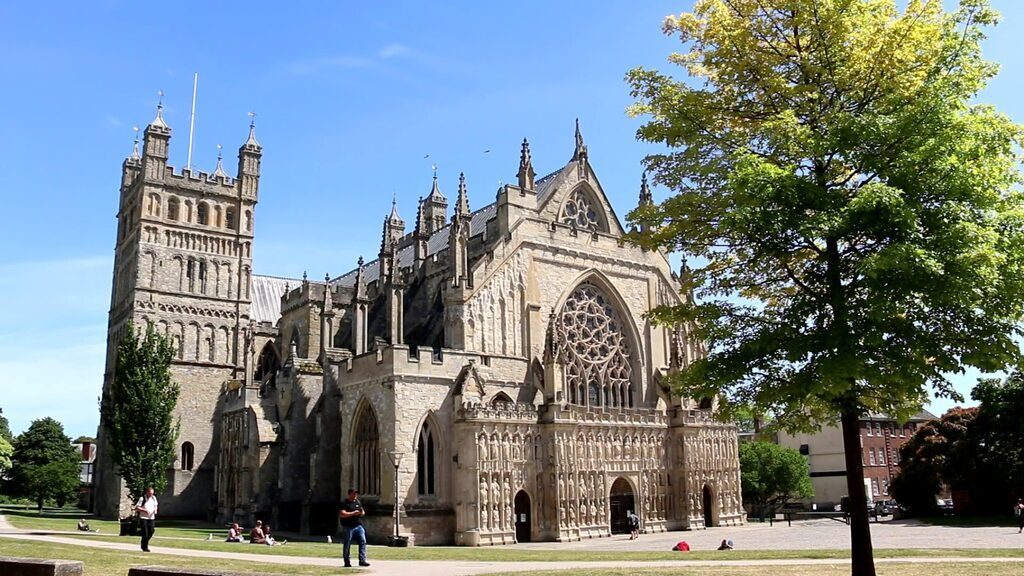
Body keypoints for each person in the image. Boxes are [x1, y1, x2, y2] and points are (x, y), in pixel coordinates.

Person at [339, 488, 369, 567]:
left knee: (363, 541)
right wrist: (353, 513)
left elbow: (362, 511)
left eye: (356, 494)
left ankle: (362, 560)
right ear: (349, 494)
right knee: (347, 543)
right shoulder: (344, 503)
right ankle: (347, 561)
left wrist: (361, 513)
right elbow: (342, 514)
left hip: (358, 525)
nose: (355, 495)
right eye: (353, 494)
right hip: (348, 526)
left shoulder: (357, 502)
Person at [135, 487, 158, 552]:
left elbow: (156, 505)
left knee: (151, 530)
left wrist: (155, 510)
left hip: (151, 518)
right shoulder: (142, 498)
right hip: (143, 518)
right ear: (147, 492)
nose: (151, 495)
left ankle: (144, 542)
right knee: (145, 532)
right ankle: (145, 547)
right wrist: (144, 510)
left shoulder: (154, 498)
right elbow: (137, 507)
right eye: (150, 493)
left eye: (152, 493)